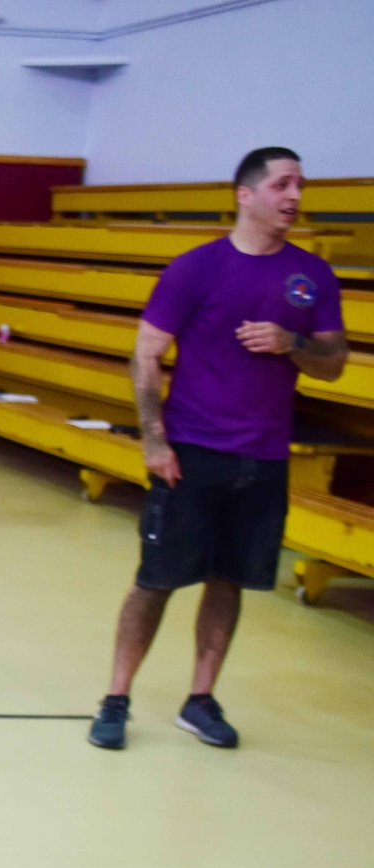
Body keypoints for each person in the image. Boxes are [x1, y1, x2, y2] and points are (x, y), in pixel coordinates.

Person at [89, 147, 346, 751]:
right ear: (246, 194)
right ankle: (116, 697)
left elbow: (333, 364)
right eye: (282, 184)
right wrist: (155, 440)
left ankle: (200, 698)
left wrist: (292, 342)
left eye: (300, 186)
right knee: (155, 580)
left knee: (230, 579)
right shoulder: (195, 269)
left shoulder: (311, 278)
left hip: (264, 459)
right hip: (192, 452)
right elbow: (146, 353)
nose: (294, 196)